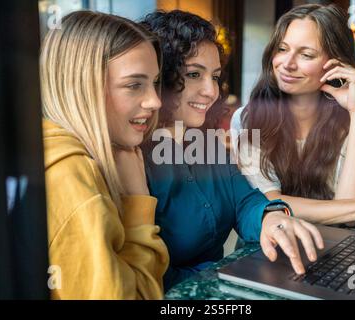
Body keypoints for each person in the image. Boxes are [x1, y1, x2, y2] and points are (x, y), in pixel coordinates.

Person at [139, 10, 325, 290]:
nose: (210, 91)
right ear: (160, 75)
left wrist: (270, 218)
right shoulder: (133, 155)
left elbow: (244, 201)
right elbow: (146, 271)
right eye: (193, 74)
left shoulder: (206, 141)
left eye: (214, 77)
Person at [231, 4, 355, 225]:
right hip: (266, 248)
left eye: (306, 54)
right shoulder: (248, 120)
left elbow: (354, 219)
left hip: (337, 248)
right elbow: (270, 205)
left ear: (336, 64)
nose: (287, 64)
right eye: (282, 49)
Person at [40, 11, 169, 299]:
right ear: (81, 86)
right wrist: (138, 203)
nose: (155, 100)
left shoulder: (45, 148)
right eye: (134, 85)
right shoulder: (71, 175)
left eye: (153, 82)